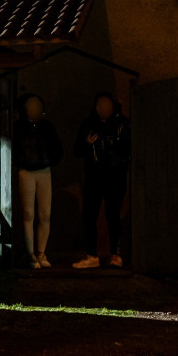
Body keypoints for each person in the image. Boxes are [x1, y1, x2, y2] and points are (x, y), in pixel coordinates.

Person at [72, 92, 131, 269]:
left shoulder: (122, 125)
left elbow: (128, 149)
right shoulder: (88, 124)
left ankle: (115, 254)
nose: (103, 108)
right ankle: (92, 255)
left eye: (106, 105)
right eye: (99, 105)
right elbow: (77, 150)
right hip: (94, 176)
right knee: (89, 216)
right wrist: (87, 144)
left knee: (113, 215)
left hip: (115, 177)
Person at [12, 93, 62, 269]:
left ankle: (41, 252)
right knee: (28, 214)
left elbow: (57, 148)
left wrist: (49, 160)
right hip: (26, 171)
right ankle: (31, 255)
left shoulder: (47, 127)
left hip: (44, 170)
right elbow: (15, 149)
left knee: (45, 214)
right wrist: (22, 162)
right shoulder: (18, 127)